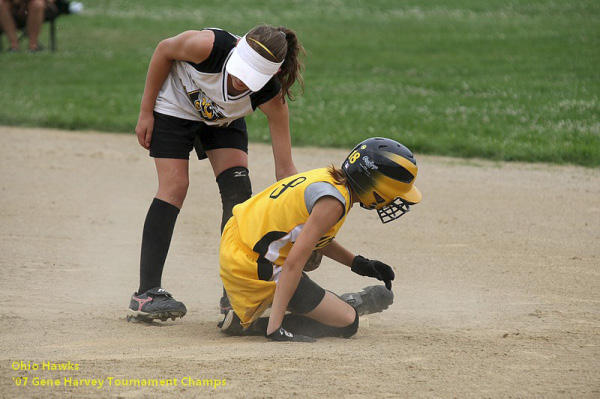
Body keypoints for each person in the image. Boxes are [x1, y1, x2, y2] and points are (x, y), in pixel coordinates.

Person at [127, 25, 305, 323]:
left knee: (239, 195)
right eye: (239, 69)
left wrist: (303, 212)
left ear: (269, 76)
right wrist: (146, 111)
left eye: (250, 78)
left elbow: (285, 168)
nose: (239, 80)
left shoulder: (272, 98)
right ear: (235, 52)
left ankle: (234, 294)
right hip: (175, 106)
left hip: (222, 120)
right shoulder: (207, 46)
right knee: (175, 186)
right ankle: (147, 292)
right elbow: (163, 50)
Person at [218, 137, 422, 341]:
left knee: (310, 270)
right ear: (377, 188)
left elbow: (312, 236)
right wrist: (275, 329)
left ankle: (315, 305)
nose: (394, 200)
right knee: (348, 321)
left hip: (238, 246)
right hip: (252, 265)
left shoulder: (330, 180)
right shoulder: (334, 204)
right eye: (394, 193)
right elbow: (293, 264)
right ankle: (255, 325)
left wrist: (358, 264)